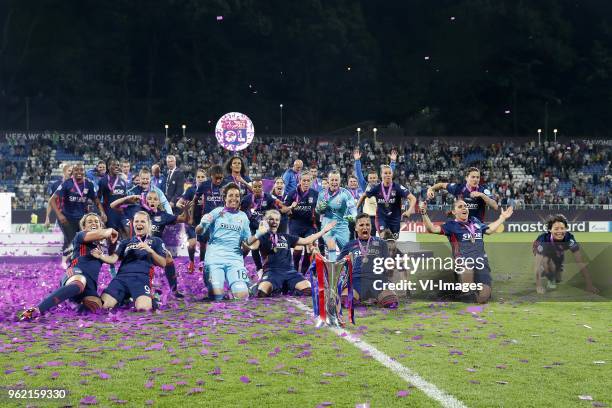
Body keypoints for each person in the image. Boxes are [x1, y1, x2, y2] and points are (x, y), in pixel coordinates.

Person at [18, 214, 118, 320]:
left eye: (96, 221)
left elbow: (113, 258)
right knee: (79, 283)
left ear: (100, 225)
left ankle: (72, 302)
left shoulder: (101, 248)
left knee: (95, 306)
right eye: (90, 222)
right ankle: (35, 310)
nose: (94, 223)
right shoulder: (81, 235)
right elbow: (104, 233)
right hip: (76, 273)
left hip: (90, 285)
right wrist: (111, 230)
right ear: (84, 227)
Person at [420, 200, 513, 303]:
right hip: (463, 262)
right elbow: (432, 229)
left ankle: (465, 295)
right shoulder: (451, 225)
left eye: (465, 206)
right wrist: (423, 212)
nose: (464, 208)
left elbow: (489, 230)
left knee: (483, 298)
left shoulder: (475, 222)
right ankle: (458, 294)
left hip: (481, 262)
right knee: (468, 287)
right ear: (454, 212)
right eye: (460, 206)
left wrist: (502, 217)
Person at [111, 191, 190, 298]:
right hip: (135, 247)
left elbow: (184, 219)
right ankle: (124, 285)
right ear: (145, 200)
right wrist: (128, 198)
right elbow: (113, 206)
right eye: (149, 198)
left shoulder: (163, 215)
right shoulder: (137, 210)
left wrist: (186, 210)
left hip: (154, 249)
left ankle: (174, 290)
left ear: (158, 202)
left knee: (168, 257)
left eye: (155, 199)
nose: (152, 201)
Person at [247, 209, 336, 297]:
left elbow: (306, 240)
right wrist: (258, 233)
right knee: (262, 293)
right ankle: (259, 287)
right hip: (272, 272)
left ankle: (287, 287)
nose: (274, 222)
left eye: (277, 220)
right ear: (266, 221)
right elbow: (252, 246)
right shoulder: (262, 237)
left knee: (308, 290)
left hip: (290, 272)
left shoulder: (285, 236)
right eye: (271, 219)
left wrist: (324, 230)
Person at [195, 183, 252, 300]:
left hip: (234, 260)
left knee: (242, 296)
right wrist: (202, 224)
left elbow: (247, 242)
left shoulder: (243, 217)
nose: (234, 198)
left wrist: (245, 250)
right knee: (216, 296)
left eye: (237, 196)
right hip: (215, 258)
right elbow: (199, 231)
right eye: (231, 195)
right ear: (224, 198)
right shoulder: (217, 212)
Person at [101, 211, 167, 312]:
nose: (139, 224)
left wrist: (149, 250)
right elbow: (113, 259)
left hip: (141, 278)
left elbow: (163, 263)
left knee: (143, 308)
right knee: (104, 306)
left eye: (142, 221)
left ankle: (152, 299)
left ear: (149, 224)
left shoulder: (156, 241)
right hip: (121, 278)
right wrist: (100, 255)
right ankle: (124, 297)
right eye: (136, 221)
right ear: (133, 224)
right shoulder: (125, 242)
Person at [50, 163, 107, 269]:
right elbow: (52, 200)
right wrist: (59, 215)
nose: (79, 172)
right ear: (73, 172)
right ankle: (71, 263)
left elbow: (96, 200)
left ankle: (80, 261)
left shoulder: (89, 184)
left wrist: (102, 212)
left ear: (84, 171)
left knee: (83, 240)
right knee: (72, 240)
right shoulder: (67, 184)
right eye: (76, 170)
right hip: (67, 218)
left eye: (81, 170)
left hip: (82, 219)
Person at [338, 213, 398, 308]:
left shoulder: (381, 243)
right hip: (357, 281)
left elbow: (388, 264)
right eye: (361, 225)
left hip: (377, 280)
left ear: (371, 226)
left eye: (367, 225)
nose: (365, 227)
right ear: (356, 228)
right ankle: (362, 298)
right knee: (345, 302)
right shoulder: (349, 245)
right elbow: (337, 264)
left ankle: (374, 297)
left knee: (391, 302)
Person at [533, 214, 598, 294]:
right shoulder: (543, 240)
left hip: (557, 250)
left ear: (566, 229)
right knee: (545, 262)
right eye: (556, 229)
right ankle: (548, 274)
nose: (560, 231)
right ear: (550, 230)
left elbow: (580, 262)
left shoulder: (569, 239)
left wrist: (589, 285)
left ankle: (556, 270)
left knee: (558, 279)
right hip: (543, 249)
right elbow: (537, 266)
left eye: (562, 228)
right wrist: (538, 286)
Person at [357, 165, 416, 240]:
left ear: (392, 174)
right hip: (381, 219)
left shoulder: (397, 187)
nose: (388, 175)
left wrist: (409, 211)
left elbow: (413, 198)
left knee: (393, 241)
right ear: (381, 175)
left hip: (395, 219)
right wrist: (356, 208)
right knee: (384, 238)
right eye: (385, 173)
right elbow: (364, 195)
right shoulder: (377, 188)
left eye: (389, 173)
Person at [240, 178, 283, 274]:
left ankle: (267, 267)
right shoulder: (246, 199)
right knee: (254, 246)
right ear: (252, 187)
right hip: (252, 228)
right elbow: (240, 213)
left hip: (265, 228)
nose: (257, 189)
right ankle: (259, 269)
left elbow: (275, 212)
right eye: (255, 187)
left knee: (266, 248)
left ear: (262, 187)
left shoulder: (268, 198)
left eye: (259, 186)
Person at [426, 167, 498, 221]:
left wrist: (482, 195)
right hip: (461, 227)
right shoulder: (459, 188)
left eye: (477, 177)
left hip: (477, 229)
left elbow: (495, 206)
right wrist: (430, 189)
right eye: (473, 177)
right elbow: (441, 185)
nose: (476, 179)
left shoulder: (483, 190)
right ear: (466, 178)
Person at [315, 170, 357, 261]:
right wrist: (320, 208)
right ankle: (333, 272)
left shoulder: (345, 193)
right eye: (332, 180)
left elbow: (353, 208)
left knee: (346, 252)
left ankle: (347, 272)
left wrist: (354, 216)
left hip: (342, 225)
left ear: (340, 181)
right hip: (327, 225)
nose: (334, 182)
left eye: (336, 180)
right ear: (328, 181)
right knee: (331, 245)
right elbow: (317, 210)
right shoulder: (322, 194)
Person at [353, 149, 397, 235]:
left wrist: (393, 161)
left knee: (384, 238)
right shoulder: (365, 186)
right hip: (368, 217)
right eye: (371, 178)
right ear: (368, 179)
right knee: (369, 239)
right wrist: (357, 160)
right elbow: (359, 174)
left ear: (377, 178)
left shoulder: (382, 186)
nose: (372, 180)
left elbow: (389, 174)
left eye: (374, 178)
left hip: (381, 217)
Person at [284, 172, 319, 274]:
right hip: (295, 225)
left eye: (308, 181)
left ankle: (303, 272)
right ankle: (295, 268)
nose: (306, 183)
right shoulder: (292, 193)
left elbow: (320, 209)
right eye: (304, 180)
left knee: (309, 249)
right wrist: (291, 207)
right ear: (299, 181)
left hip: (309, 225)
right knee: (298, 248)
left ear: (311, 182)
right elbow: (283, 209)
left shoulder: (315, 194)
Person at [177, 168, 207, 273]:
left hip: (204, 223)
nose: (200, 179)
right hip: (191, 222)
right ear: (195, 178)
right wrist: (185, 208)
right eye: (198, 177)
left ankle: (202, 263)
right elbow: (178, 203)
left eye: (203, 177)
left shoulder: (209, 190)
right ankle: (191, 262)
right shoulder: (190, 190)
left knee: (203, 246)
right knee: (192, 244)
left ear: (206, 178)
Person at [98, 159, 129, 237]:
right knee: (112, 236)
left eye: (118, 165)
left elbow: (124, 198)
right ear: (108, 167)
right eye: (114, 165)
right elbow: (97, 199)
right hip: (109, 213)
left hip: (122, 213)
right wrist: (102, 212)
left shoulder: (123, 181)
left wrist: (125, 208)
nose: (116, 167)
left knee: (127, 232)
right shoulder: (103, 181)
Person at [44, 163, 72, 228]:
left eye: (72, 171)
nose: (71, 173)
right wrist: (47, 218)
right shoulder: (55, 185)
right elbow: (50, 202)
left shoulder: (76, 185)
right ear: (64, 172)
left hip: (73, 217)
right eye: (69, 171)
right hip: (61, 217)